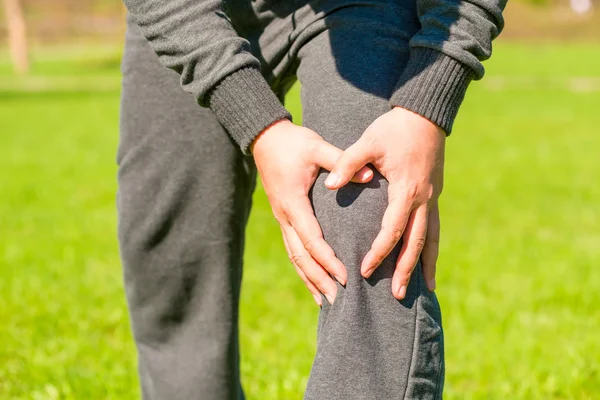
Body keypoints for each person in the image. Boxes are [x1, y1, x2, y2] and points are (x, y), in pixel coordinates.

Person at [117, 0, 506, 398]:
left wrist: (428, 101)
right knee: (171, 262)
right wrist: (259, 124)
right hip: (192, 11)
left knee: (375, 216)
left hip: (365, 7)